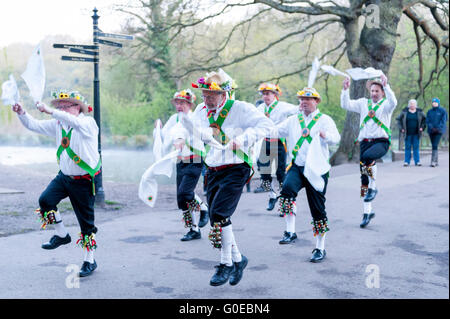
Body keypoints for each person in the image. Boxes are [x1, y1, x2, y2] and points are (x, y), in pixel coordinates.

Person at [182, 69, 273, 286]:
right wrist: (195, 137)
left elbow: (266, 126)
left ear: (224, 94)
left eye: (211, 96)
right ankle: (239, 259)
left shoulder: (241, 108)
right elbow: (191, 132)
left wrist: (242, 139)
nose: (206, 99)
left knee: (220, 213)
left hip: (237, 166)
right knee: (217, 219)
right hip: (213, 167)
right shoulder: (201, 111)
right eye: (204, 95)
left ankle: (226, 264)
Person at [12, 90, 101, 277]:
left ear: (77, 107)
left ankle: (89, 260)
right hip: (64, 177)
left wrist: (51, 111)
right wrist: (22, 113)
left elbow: (75, 123)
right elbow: (34, 125)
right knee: (45, 201)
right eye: (59, 106)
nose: (60, 109)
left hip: (83, 181)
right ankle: (62, 235)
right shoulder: (59, 124)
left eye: (64, 106)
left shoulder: (88, 123)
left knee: (86, 224)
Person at [274, 87, 340, 262]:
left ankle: (320, 247)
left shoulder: (324, 120)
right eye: (301, 99)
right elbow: (274, 131)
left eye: (307, 99)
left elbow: (336, 138)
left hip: (317, 169)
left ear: (316, 101)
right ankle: (290, 231)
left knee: (317, 209)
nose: (303, 102)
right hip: (297, 166)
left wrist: (326, 135)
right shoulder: (292, 120)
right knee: (287, 190)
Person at [341, 74, 397, 228]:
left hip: (381, 142)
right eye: (372, 91)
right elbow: (345, 104)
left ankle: (374, 187)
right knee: (363, 181)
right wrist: (345, 90)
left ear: (382, 92)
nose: (373, 93)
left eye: (377, 91)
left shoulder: (386, 105)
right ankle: (367, 213)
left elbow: (394, 102)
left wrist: (387, 86)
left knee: (368, 157)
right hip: (364, 142)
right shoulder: (363, 104)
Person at [154, 89, 209, 241]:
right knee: (181, 198)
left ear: (190, 104)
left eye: (182, 103)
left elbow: (197, 134)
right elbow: (166, 136)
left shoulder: (196, 118)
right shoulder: (174, 119)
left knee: (185, 192)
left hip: (195, 159)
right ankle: (194, 229)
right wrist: (158, 128)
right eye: (177, 103)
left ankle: (204, 208)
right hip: (180, 160)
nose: (179, 106)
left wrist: (183, 139)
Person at [254, 83, 298, 212]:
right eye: (264, 94)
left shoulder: (282, 106)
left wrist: (304, 104)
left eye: (268, 94)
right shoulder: (261, 108)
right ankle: (272, 195)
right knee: (263, 169)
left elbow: (296, 109)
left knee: (280, 173)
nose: (265, 96)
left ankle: (284, 202)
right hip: (266, 141)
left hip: (279, 143)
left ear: (275, 95)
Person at [396, 99, 426, 166]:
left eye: (413, 104)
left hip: (416, 133)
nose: (412, 105)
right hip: (407, 133)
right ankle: (406, 161)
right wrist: (401, 129)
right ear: (409, 105)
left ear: (416, 105)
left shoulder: (419, 112)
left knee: (416, 147)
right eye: (411, 104)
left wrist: (422, 127)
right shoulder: (404, 112)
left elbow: (425, 120)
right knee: (407, 147)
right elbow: (398, 120)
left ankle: (417, 161)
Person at [426, 97, 448, 167]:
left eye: (436, 102)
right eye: (433, 102)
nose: (434, 103)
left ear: (438, 103)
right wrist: (431, 127)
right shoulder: (429, 111)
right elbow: (427, 121)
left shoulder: (442, 111)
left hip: (439, 131)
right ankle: (436, 161)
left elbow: (444, 120)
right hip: (431, 130)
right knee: (433, 145)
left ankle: (433, 161)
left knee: (435, 145)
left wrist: (438, 128)